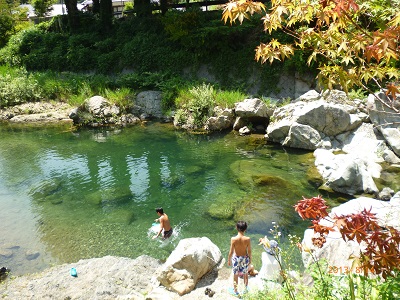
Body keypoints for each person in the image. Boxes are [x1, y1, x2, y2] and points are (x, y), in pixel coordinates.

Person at [228, 221, 252, 296]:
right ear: (245, 229)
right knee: (245, 273)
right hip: (245, 258)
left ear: (236, 228)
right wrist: (250, 259)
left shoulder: (233, 239)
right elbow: (249, 251)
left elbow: (231, 251)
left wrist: (229, 260)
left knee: (235, 274)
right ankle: (245, 289)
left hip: (236, 259)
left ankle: (235, 291)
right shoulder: (247, 239)